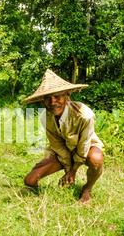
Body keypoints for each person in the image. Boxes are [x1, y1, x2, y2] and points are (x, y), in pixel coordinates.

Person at [23, 69, 104, 203]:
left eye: (57, 97)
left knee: (96, 159)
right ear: (43, 101)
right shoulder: (45, 117)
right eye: (48, 98)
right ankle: (38, 197)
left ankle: (87, 189)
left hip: (86, 148)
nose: (53, 102)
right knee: (30, 180)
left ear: (67, 96)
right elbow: (57, 146)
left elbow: (84, 145)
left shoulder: (84, 115)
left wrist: (73, 171)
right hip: (64, 152)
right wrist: (68, 169)